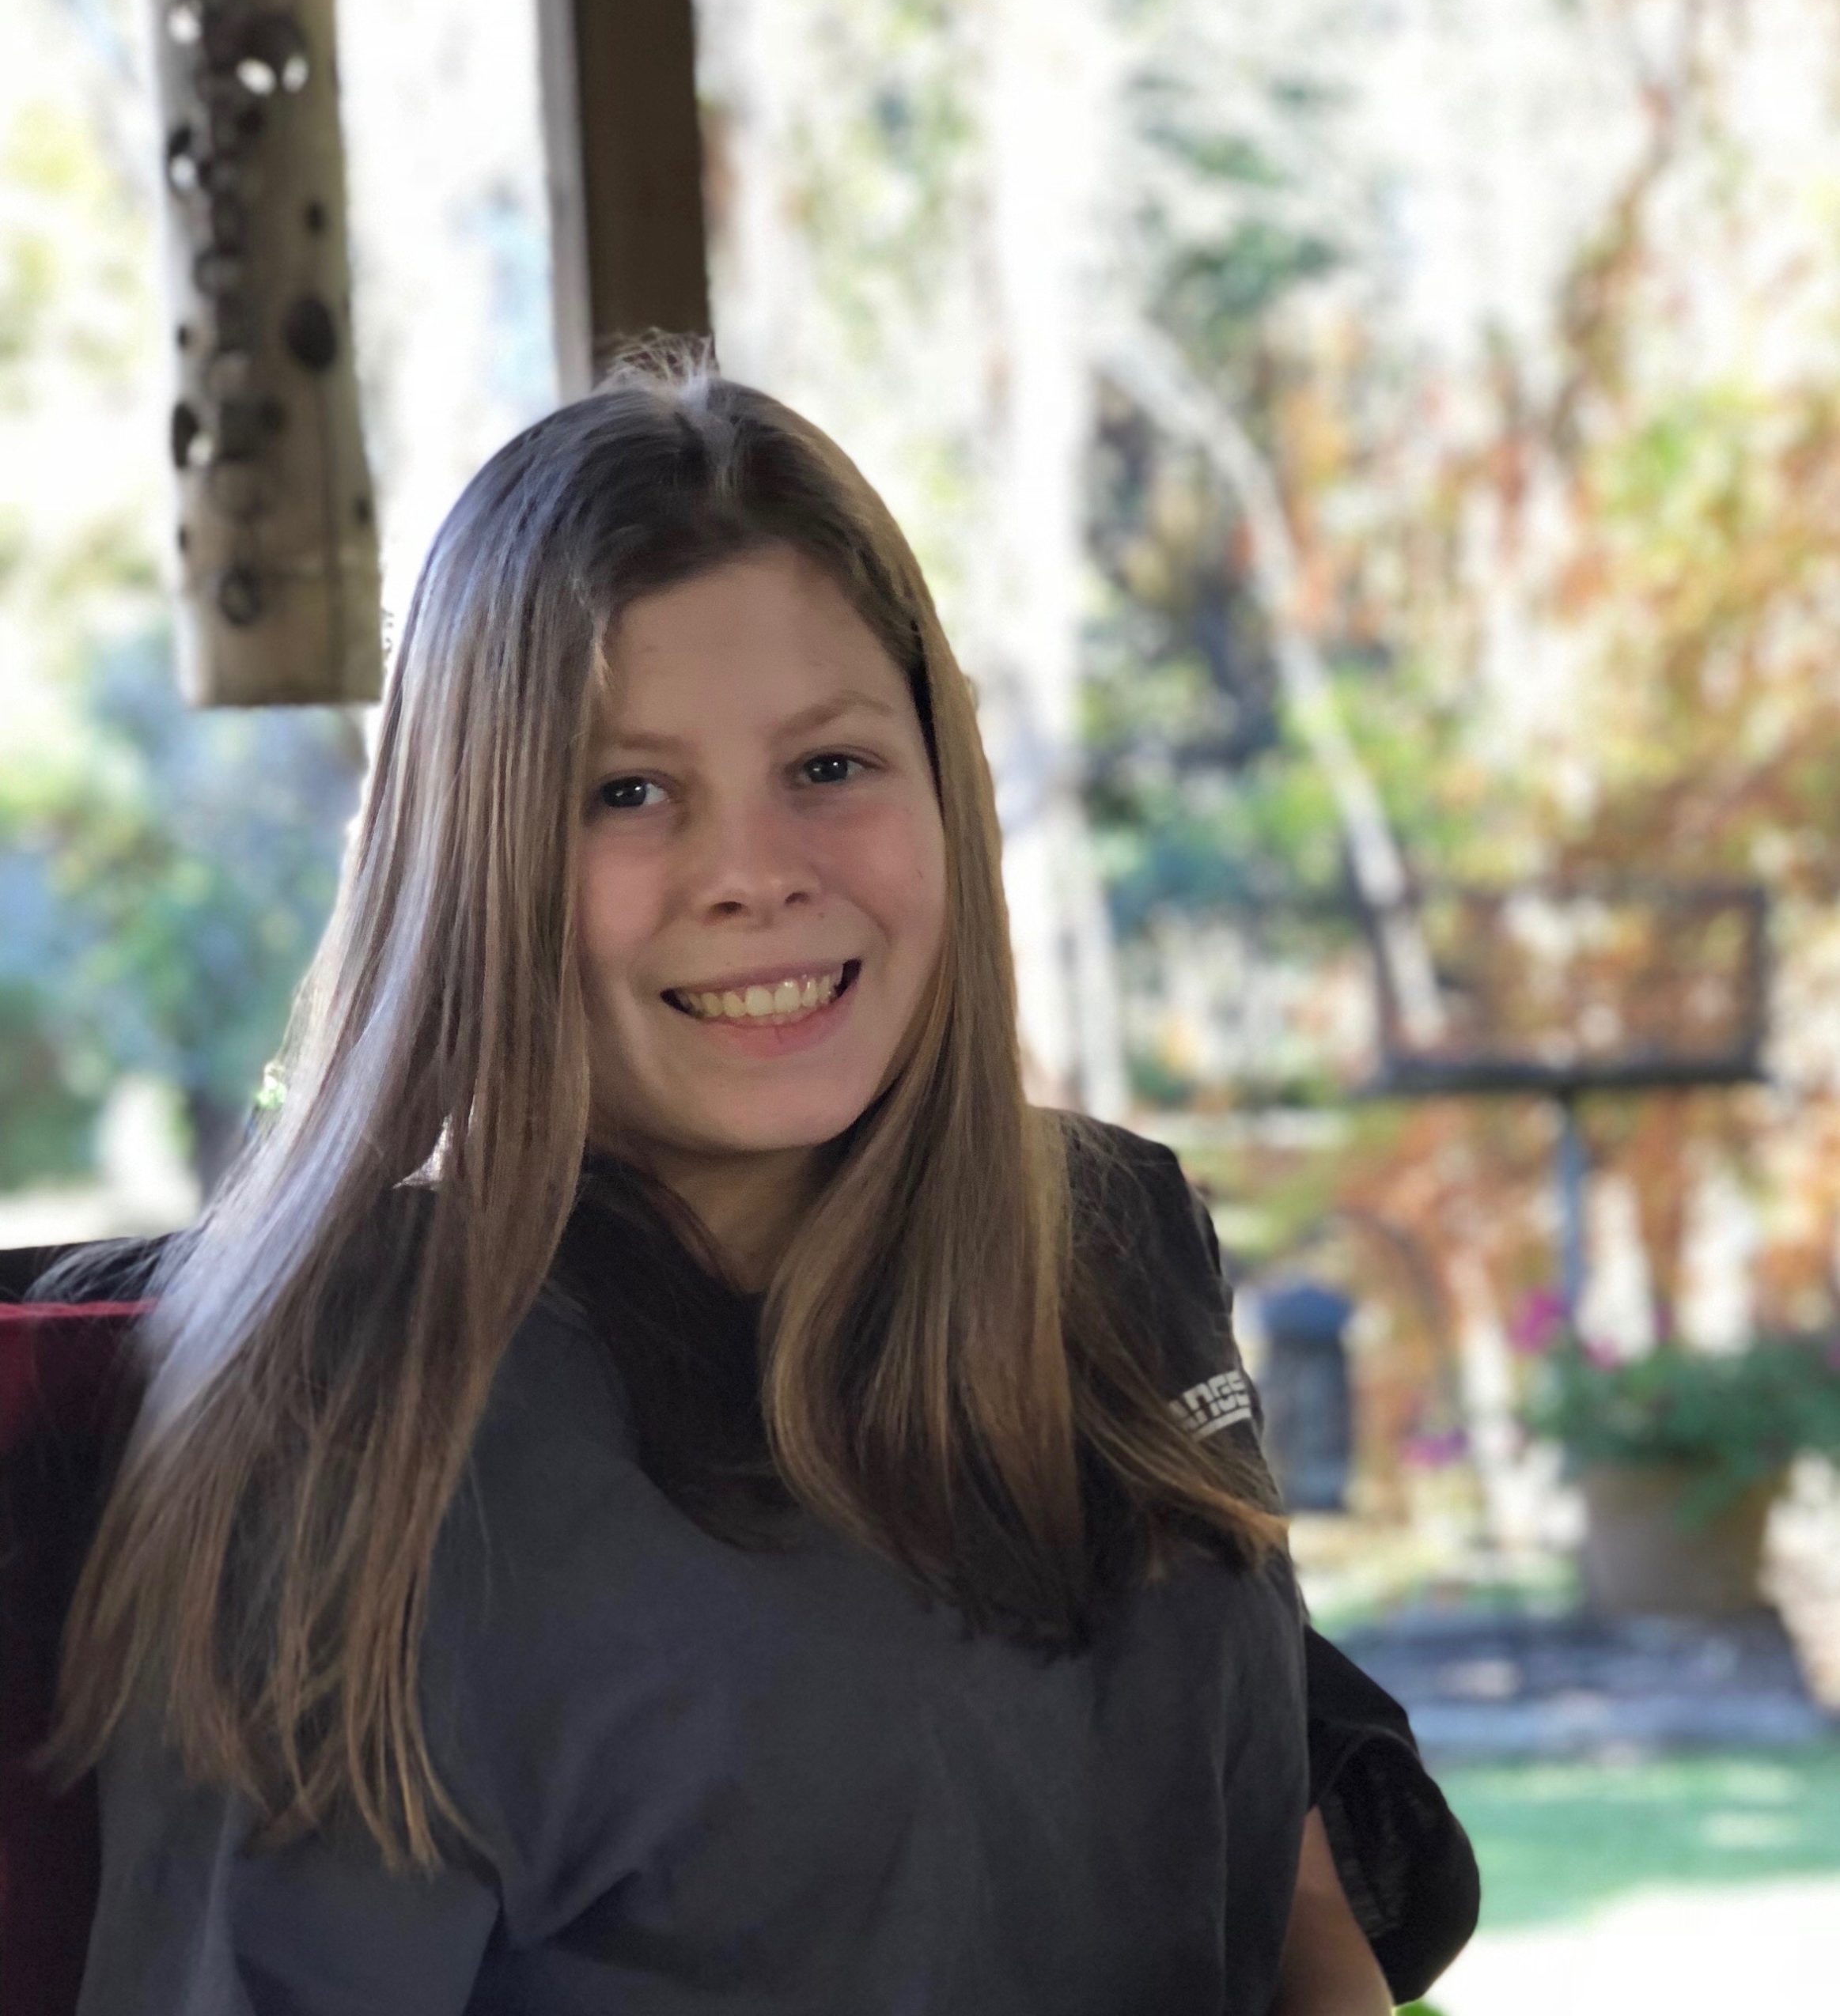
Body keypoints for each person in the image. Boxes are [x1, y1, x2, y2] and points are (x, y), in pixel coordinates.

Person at [47, 363, 1475, 2014]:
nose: (753, 875)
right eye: (626, 792)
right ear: (481, 855)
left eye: (829, 766)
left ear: (943, 784)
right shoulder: (363, 1411)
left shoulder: (1106, 1239)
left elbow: (1285, 1864)